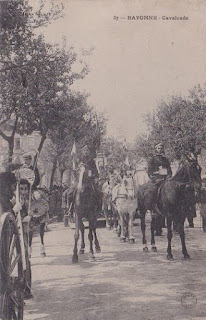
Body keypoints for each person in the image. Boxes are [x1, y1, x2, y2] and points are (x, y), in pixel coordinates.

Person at [67, 144, 101, 217]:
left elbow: (95, 171)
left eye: (87, 151)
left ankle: (98, 209)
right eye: (84, 150)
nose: (86, 152)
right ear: (82, 152)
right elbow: (75, 170)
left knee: (98, 192)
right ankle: (70, 209)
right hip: (79, 181)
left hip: (89, 181)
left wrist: (95, 177)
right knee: (70, 192)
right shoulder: (78, 159)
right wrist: (77, 169)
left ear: (88, 152)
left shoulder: (91, 161)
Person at [147, 142, 172, 236]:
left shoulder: (165, 159)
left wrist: (169, 175)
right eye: (158, 148)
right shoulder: (152, 159)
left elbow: (169, 170)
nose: (160, 150)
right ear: (156, 149)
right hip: (156, 179)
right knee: (153, 191)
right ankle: (153, 206)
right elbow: (149, 171)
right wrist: (156, 175)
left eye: (161, 148)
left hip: (166, 179)